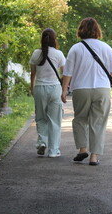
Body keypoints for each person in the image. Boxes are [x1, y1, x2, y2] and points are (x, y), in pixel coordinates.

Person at [61, 17, 112, 166]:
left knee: (80, 119)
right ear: (97, 31)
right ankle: (94, 157)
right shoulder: (106, 47)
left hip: (81, 89)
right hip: (102, 89)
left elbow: (68, 72)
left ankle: (82, 150)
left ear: (80, 30)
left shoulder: (75, 48)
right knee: (98, 122)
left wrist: (64, 91)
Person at [30, 28, 66, 157]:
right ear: (54, 39)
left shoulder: (35, 53)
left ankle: (42, 143)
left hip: (39, 88)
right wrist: (64, 89)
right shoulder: (59, 54)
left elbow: (33, 73)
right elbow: (65, 73)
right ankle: (53, 150)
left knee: (41, 118)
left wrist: (32, 87)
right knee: (55, 120)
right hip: (55, 89)